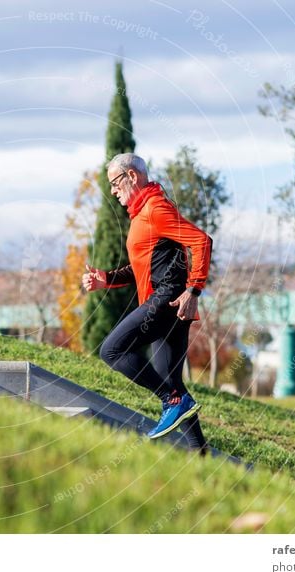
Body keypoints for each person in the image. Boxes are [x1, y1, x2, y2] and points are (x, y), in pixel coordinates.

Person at [82, 153, 212, 450]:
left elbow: (201, 241)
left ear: (132, 176)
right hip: (169, 305)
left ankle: (171, 401)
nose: (113, 191)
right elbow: (144, 265)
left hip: (167, 300)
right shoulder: (142, 213)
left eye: (115, 183)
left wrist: (193, 290)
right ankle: (200, 455)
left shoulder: (155, 208)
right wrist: (106, 279)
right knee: (174, 385)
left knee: (112, 350)